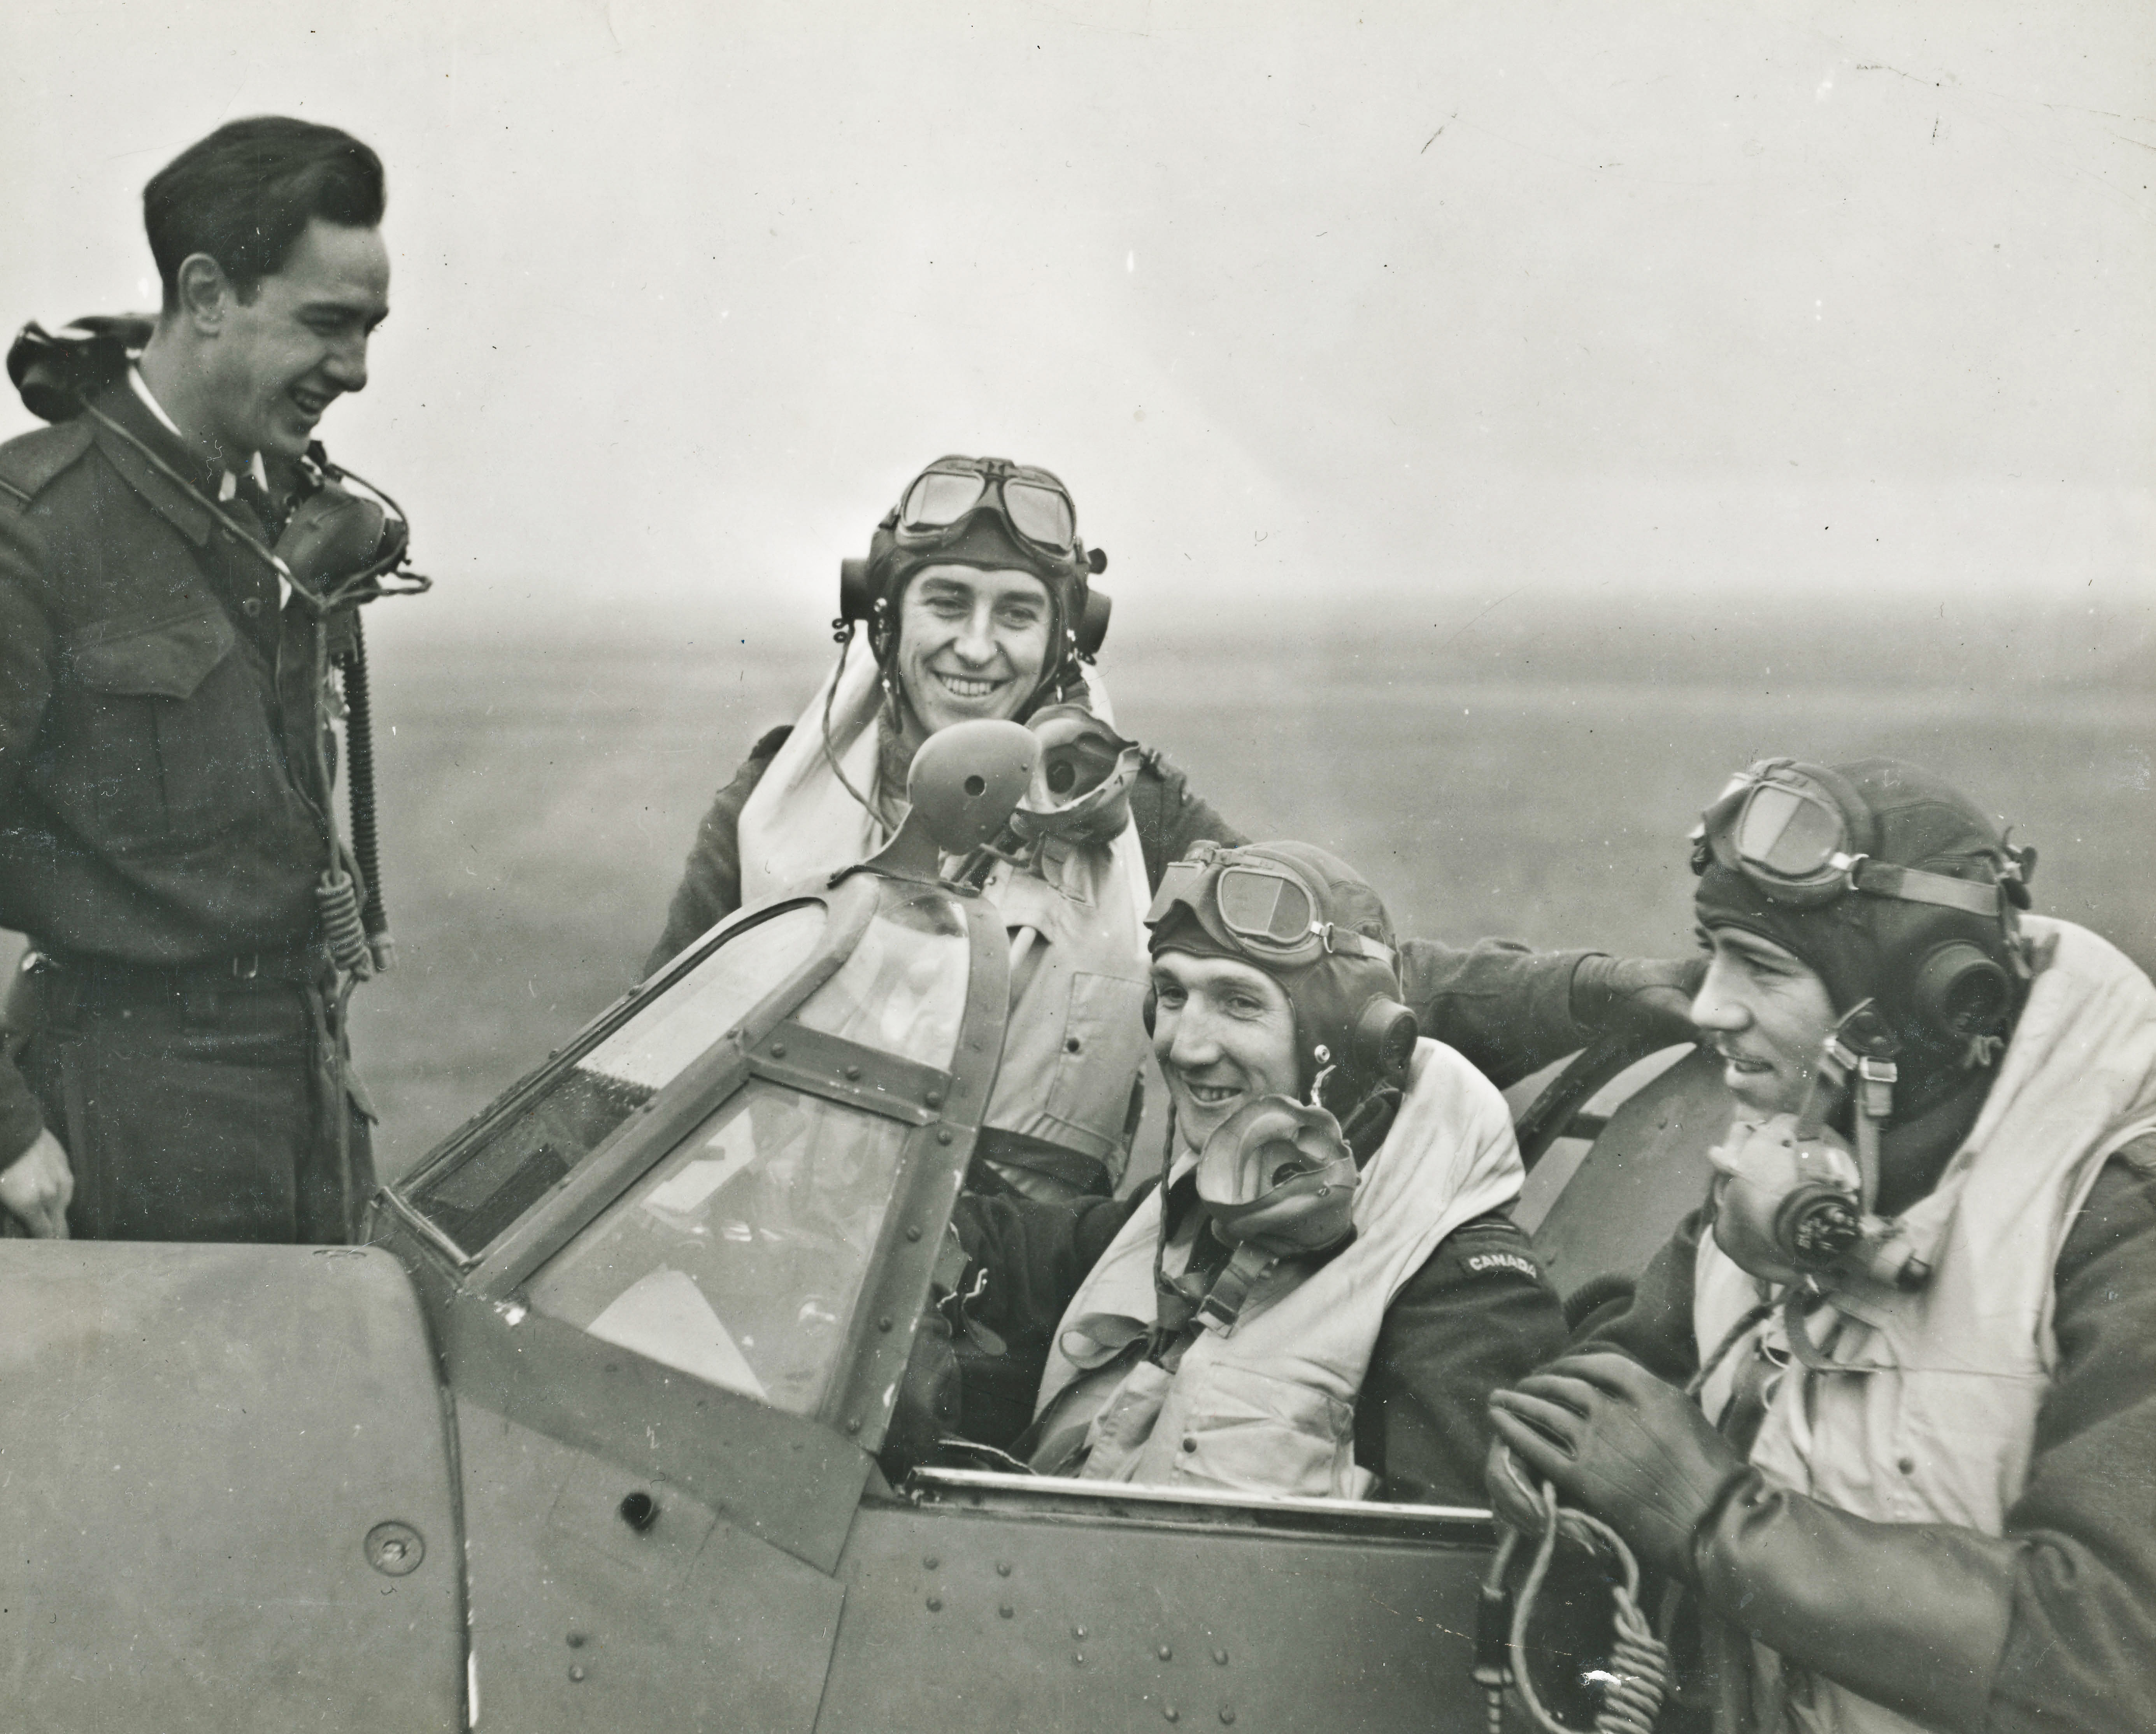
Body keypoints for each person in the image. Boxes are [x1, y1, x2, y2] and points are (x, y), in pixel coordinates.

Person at [645, 454, 1698, 1200]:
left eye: (1015, 613)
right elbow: (637, 1060)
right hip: (774, 1258)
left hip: (1005, 1303)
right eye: (945, 603)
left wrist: (1594, 989)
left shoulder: (1128, 814)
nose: (975, 646)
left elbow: (1338, 968)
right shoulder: (766, 805)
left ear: (1066, 641)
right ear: (884, 615)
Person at [1487, 757, 2156, 1734]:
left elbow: (2107, 1657)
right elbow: (1613, 1382)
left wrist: (1717, 1522)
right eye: (1710, 952)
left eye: (1759, 969)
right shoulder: (1782, 1181)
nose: (1709, 1007)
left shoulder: (2116, 1229)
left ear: (1918, 1010)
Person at [0, 117, 396, 1241]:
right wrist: (4, 1130)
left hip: (300, 1087)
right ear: (208, 292)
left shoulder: (274, 510)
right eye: (326, 324)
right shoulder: (33, 531)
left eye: (369, 331)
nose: (357, 371)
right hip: (118, 1117)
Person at [951, 840, 1567, 1503]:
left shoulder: (1459, 1301)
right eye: (1171, 994)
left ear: (1345, 1039)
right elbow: (1008, 1241)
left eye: (1238, 1003)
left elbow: (1435, 1584)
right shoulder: (1190, 1211)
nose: (1184, 1045)